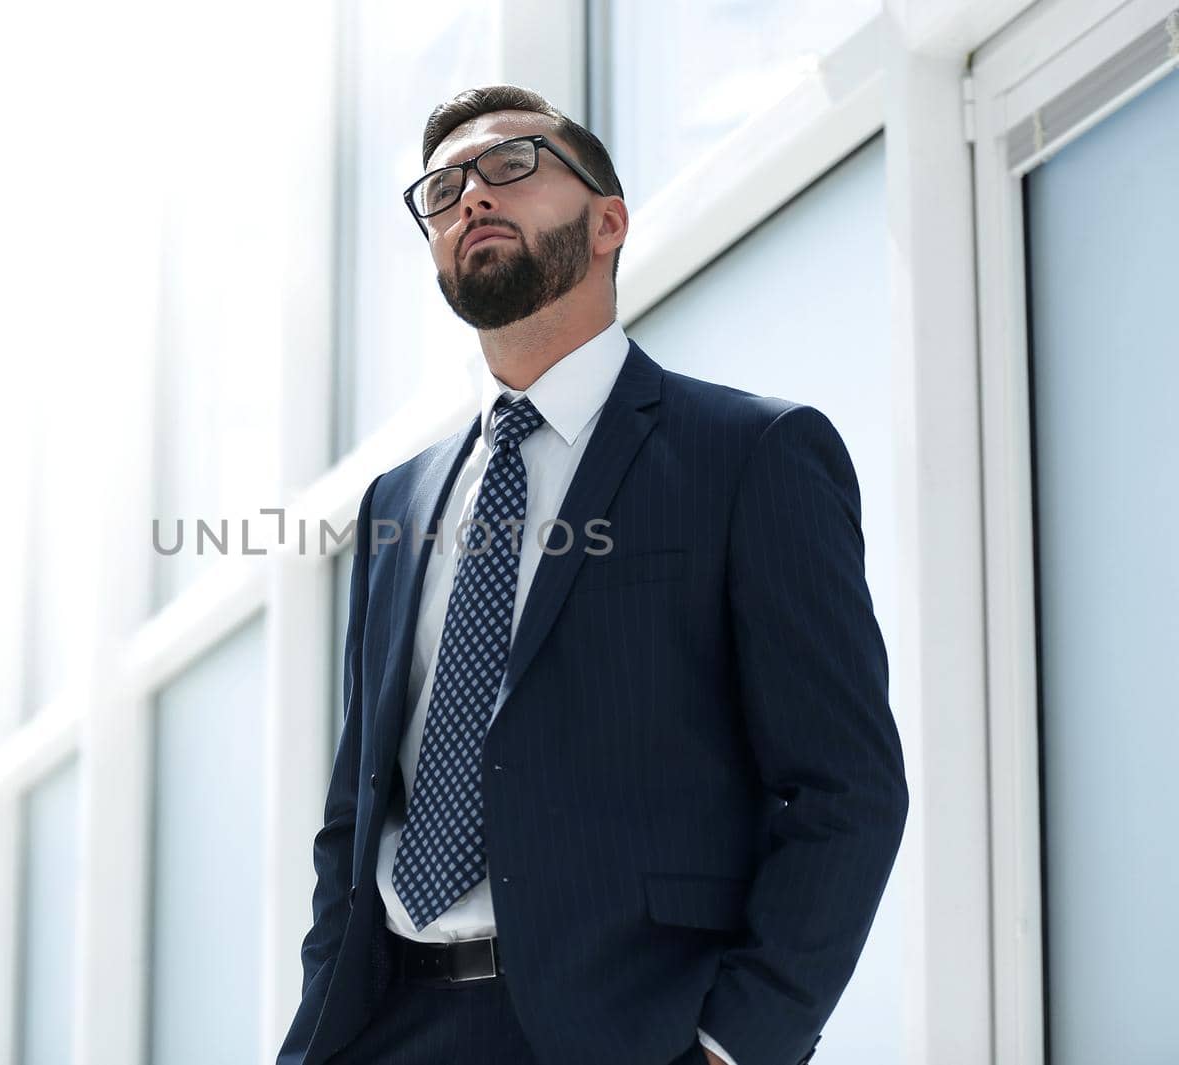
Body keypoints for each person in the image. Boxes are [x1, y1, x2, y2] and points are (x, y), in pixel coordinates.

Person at [276, 84, 908, 1065]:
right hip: (388, 1026)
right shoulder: (395, 504)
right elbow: (356, 815)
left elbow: (845, 788)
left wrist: (737, 1041)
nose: (470, 196)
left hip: (626, 1031)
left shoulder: (750, 456)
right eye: (441, 190)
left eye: (511, 165)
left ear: (608, 220)